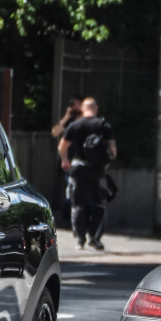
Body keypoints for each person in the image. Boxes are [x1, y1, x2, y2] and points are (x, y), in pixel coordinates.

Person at [58, 97, 117, 250]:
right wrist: (107, 164)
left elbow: (62, 147)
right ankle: (94, 237)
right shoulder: (103, 125)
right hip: (97, 170)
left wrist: (65, 160)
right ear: (96, 109)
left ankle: (79, 240)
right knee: (99, 203)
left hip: (78, 169)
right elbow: (113, 150)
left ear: (82, 110)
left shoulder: (75, 125)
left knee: (78, 205)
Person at [51, 97, 82, 228]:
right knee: (70, 191)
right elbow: (55, 132)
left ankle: (79, 220)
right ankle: (69, 219)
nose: (75, 108)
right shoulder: (69, 122)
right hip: (69, 161)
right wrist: (66, 116)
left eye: (77, 105)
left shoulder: (85, 120)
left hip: (82, 159)